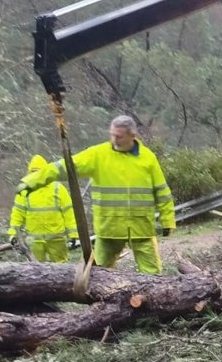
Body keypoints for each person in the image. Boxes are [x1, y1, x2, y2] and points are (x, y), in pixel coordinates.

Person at [19, 115, 176, 274]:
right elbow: (64, 167)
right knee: (98, 275)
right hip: (108, 229)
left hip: (141, 228)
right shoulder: (98, 155)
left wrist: (167, 220)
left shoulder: (147, 158)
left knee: (153, 276)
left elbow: (162, 191)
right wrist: (32, 181)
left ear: (132, 135)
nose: (114, 140)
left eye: (119, 136)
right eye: (112, 135)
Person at [7, 155, 80, 262]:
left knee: (60, 268)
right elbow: (17, 214)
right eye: (34, 172)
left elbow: (69, 214)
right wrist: (13, 234)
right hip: (35, 241)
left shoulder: (58, 189)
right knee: (35, 269)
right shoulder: (25, 190)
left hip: (57, 239)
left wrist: (73, 235)